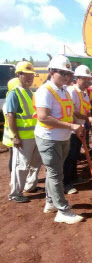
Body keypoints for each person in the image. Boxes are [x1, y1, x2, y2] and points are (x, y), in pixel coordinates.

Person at [34, 55, 84, 224]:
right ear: (51, 72)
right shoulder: (45, 91)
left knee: (55, 171)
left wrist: (77, 125)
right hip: (49, 138)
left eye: (68, 73)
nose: (66, 76)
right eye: (62, 73)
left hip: (63, 138)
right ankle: (62, 210)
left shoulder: (63, 90)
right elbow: (43, 117)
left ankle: (50, 203)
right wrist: (71, 127)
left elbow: (69, 114)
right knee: (56, 174)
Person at [6, 62, 42, 203]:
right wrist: (15, 136)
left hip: (35, 135)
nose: (29, 78)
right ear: (18, 75)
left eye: (31, 75)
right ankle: (15, 193)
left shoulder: (30, 93)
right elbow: (11, 116)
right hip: (23, 137)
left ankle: (30, 186)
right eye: (25, 75)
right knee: (21, 166)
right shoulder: (14, 93)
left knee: (35, 164)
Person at [63, 65, 92, 194]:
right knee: (69, 156)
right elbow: (72, 112)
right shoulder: (71, 91)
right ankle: (66, 183)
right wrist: (87, 119)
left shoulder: (84, 92)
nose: (87, 82)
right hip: (72, 129)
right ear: (77, 78)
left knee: (76, 155)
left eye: (88, 80)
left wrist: (89, 118)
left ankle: (74, 177)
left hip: (81, 128)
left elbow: (86, 109)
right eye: (84, 79)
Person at [3, 77, 20, 174]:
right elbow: (10, 117)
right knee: (14, 157)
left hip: (13, 134)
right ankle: (13, 177)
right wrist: (15, 136)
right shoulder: (8, 104)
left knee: (15, 157)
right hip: (12, 135)